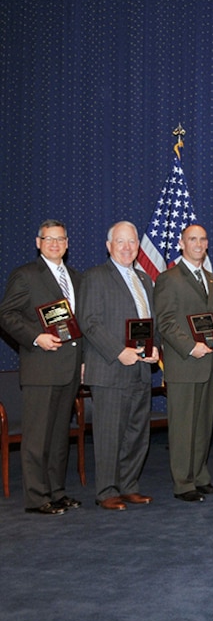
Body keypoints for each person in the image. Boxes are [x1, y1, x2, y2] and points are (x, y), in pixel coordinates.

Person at [0, 220, 84, 515]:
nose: (55, 244)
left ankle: (56, 492)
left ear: (67, 242)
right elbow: (6, 314)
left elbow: (79, 325)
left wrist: (82, 361)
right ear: (38, 242)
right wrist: (36, 337)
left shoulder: (75, 276)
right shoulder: (25, 275)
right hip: (40, 367)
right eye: (48, 239)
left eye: (60, 239)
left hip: (70, 367)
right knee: (37, 437)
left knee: (60, 435)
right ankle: (37, 498)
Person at [78, 221, 160, 511]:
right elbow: (89, 322)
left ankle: (129, 486)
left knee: (137, 432)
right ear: (109, 246)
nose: (127, 248)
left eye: (132, 242)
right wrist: (118, 351)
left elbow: (152, 321)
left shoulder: (145, 279)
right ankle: (107, 490)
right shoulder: (94, 277)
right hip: (110, 368)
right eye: (121, 242)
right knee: (109, 433)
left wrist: (155, 350)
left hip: (140, 367)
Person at [155, 224, 213, 502]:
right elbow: (166, 321)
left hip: (208, 363)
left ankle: (200, 476)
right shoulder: (169, 278)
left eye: (202, 239)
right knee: (183, 426)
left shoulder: (211, 279)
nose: (198, 244)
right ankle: (183, 483)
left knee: (202, 426)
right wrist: (190, 346)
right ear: (181, 244)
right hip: (184, 364)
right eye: (192, 239)